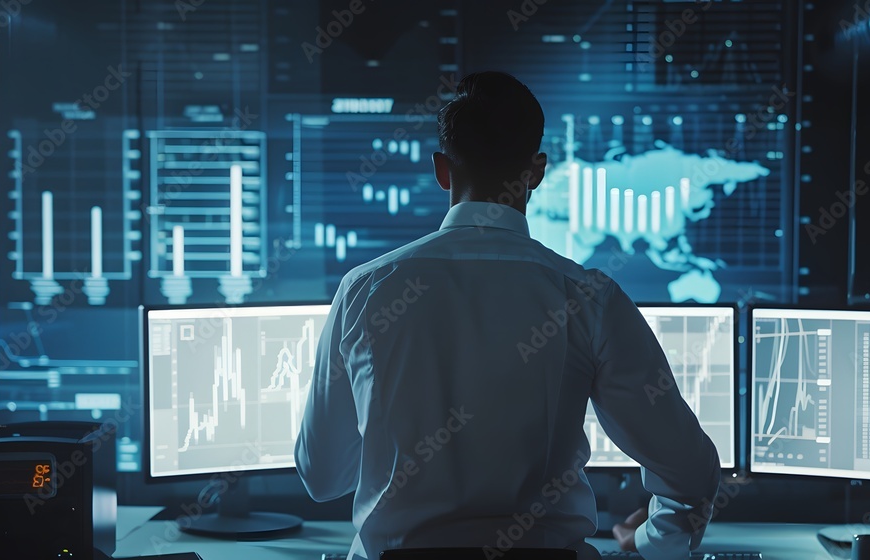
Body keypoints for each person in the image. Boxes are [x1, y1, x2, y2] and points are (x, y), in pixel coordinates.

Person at [294, 71, 721, 559]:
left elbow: (322, 479)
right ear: (536, 171)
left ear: (442, 170)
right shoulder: (589, 298)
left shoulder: (365, 290)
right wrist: (651, 543)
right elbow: (690, 473)